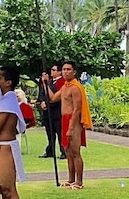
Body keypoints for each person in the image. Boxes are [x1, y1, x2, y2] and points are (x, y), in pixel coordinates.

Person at [41, 59, 92, 189]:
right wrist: (46, 84)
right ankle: (71, 179)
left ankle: (79, 182)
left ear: (74, 72)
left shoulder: (75, 87)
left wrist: (71, 128)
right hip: (64, 119)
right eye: (64, 69)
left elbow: (77, 109)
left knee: (75, 152)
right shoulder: (65, 87)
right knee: (68, 152)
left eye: (68, 69)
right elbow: (53, 98)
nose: (65, 72)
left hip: (73, 120)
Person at [0, 65, 28, 199]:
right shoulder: (2, 101)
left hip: (5, 147)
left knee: (8, 190)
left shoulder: (8, 102)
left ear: (8, 83)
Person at [38, 63, 66, 159]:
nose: (51, 72)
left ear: (59, 72)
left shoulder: (62, 82)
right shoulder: (48, 82)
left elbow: (57, 97)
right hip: (47, 112)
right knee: (49, 133)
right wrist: (42, 101)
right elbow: (42, 93)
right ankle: (50, 150)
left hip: (56, 111)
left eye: (54, 70)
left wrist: (48, 104)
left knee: (59, 132)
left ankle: (64, 151)